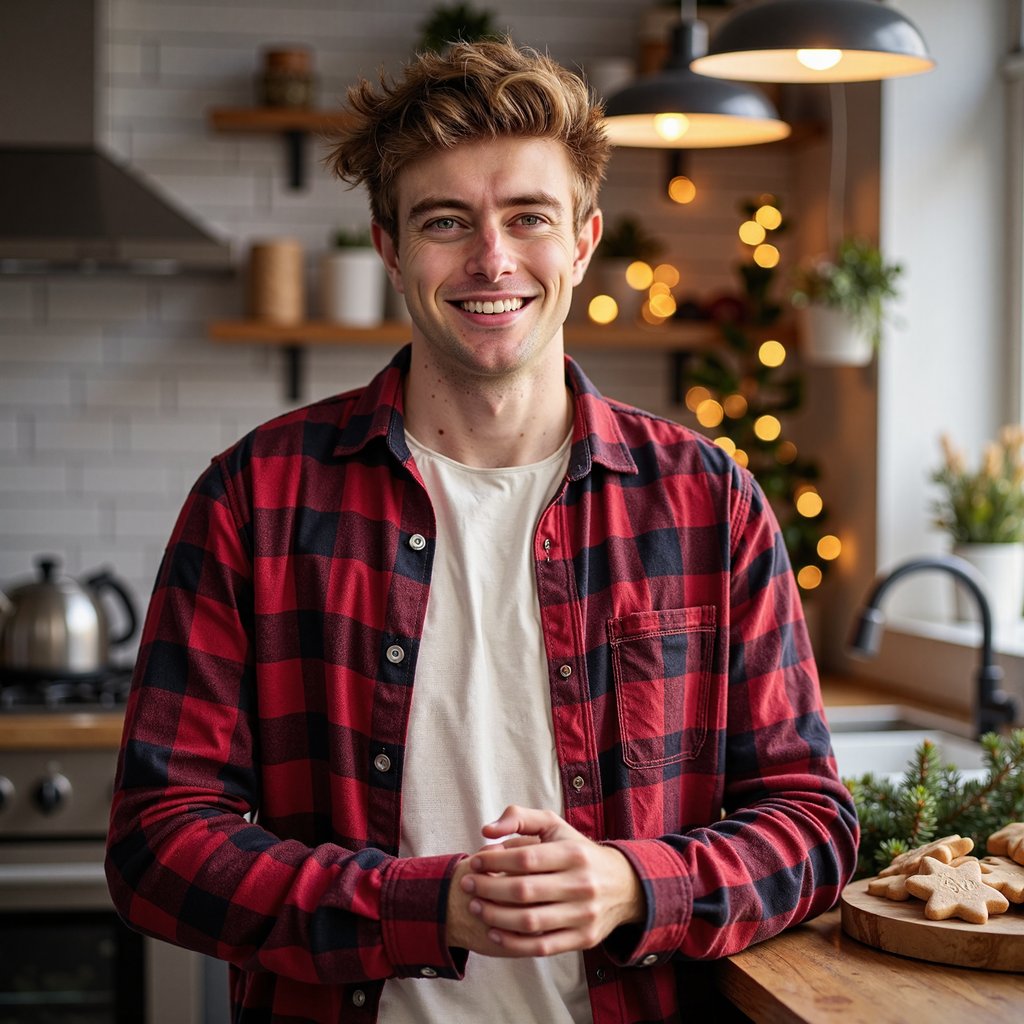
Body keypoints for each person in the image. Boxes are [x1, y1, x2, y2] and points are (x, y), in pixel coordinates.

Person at [105, 38, 858, 1024]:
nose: (492, 259)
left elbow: (811, 824)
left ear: (583, 242)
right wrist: (420, 905)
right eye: (446, 221)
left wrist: (635, 885)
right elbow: (157, 845)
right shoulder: (254, 496)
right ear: (390, 246)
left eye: (528, 217)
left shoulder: (707, 502)